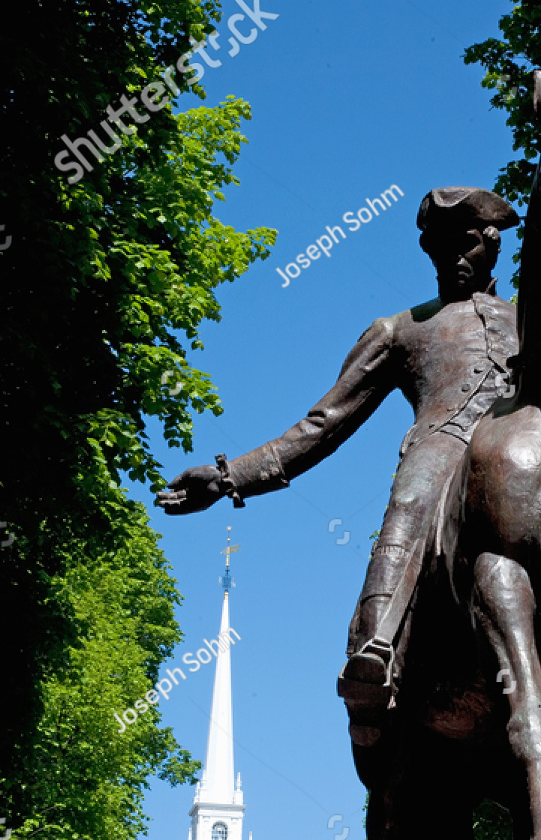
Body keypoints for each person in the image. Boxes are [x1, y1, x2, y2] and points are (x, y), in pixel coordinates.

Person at [157, 186, 520, 743]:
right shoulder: (398, 331)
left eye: (466, 245)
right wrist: (229, 476)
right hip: (443, 446)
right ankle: (375, 649)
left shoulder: (533, 323)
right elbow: (323, 423)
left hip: (523, 456)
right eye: (440, 249)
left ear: (492, 245)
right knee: (414, 494)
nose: (454, 260)